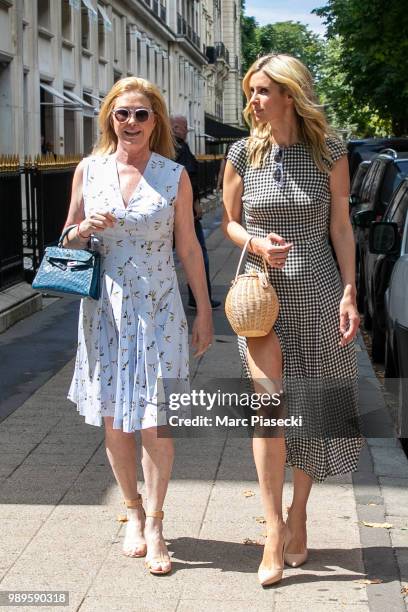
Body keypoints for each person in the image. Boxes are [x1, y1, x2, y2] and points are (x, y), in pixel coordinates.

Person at [62, 76, 213, 576]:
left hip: (161, 306)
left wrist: (205, 312)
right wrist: (84, 228)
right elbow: (68, 242)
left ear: (157, 122)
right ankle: (131, 510)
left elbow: (188, 247)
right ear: (109, 117)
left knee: (155, 420)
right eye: (122, 113)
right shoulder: (90, 169)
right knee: (114, 417)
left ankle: (157, 522)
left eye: (141, 115)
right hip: (105, 308)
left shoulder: (174, 176)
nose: (131, 122)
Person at [222, 54, 363, 587]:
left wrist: (350, 293)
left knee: (316, 406)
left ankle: (300, 512)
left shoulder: (329, 151)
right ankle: (273, 530)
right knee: (270, 407)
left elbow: (342, 226)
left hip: (321, 290)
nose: (253, 101)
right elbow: (229, 224)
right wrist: (254, 240)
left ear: (290, 95)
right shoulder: (241, 152)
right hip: (261, 294)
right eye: (251, 90)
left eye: (262, 91)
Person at [170, 114, 221, 309]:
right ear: (176, 127)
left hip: (173, 210)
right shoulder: (179, 146)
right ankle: (201, 299)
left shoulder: (167, 146)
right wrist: (195, 203)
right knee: (198, 253)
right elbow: (189, 177)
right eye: (184, 128)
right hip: (184, 212)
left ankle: (196, 298)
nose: (186, 132)